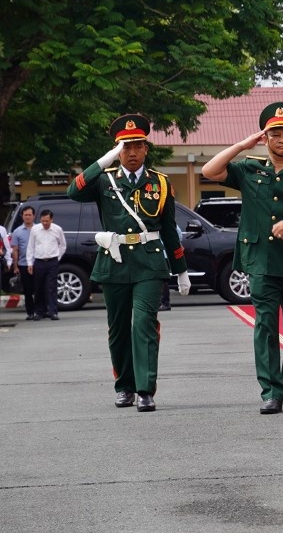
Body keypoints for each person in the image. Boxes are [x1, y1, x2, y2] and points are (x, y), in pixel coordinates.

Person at [201, 101, 283, 414]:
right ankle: (271, 391)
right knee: (266, 325)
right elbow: (210, 171)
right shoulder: (249, 168)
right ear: (266, 138)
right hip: (261, 261)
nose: (282, 139)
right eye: (275, 134)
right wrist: (243, 145)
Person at [66, 114, 191, 412]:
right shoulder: (104, 181)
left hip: (149, 263)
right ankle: (124, 386)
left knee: (144, 322)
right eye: (125, 147)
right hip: (114, 261)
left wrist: (181, 269)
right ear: (117, 150)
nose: (131, 152)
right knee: (118, 327)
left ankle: (145, 389)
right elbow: (74, 191)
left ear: (146, 148)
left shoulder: (160, 183)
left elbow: (170, 230)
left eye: (137, 146)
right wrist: (104, 160)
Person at [24, 209, 67, 321]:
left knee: (51, 287)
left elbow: (62, 245)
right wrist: (29, 263)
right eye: (43, 221)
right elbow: (30, 246)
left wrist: (57, 258)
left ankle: (53, 311)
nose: (45, 223)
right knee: (38, 287)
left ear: (51, 220)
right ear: (40, 220)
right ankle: (39, 311)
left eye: (47, 221)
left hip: (52, 261)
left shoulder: (57, 229)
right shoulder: (35, 229)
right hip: (39, 261)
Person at [10, 206, 36, 319]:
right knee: (28, 290)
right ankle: (30, 312)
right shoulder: (17, 232)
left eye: (30, 215)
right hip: (24, 264)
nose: (28, 217)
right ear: (22, 216)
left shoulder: (39, 229)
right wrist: (15, 266)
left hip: (38, 263)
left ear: (34, 216)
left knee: (40, 288)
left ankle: (41, 311)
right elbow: (15, 250)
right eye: (25, 215)